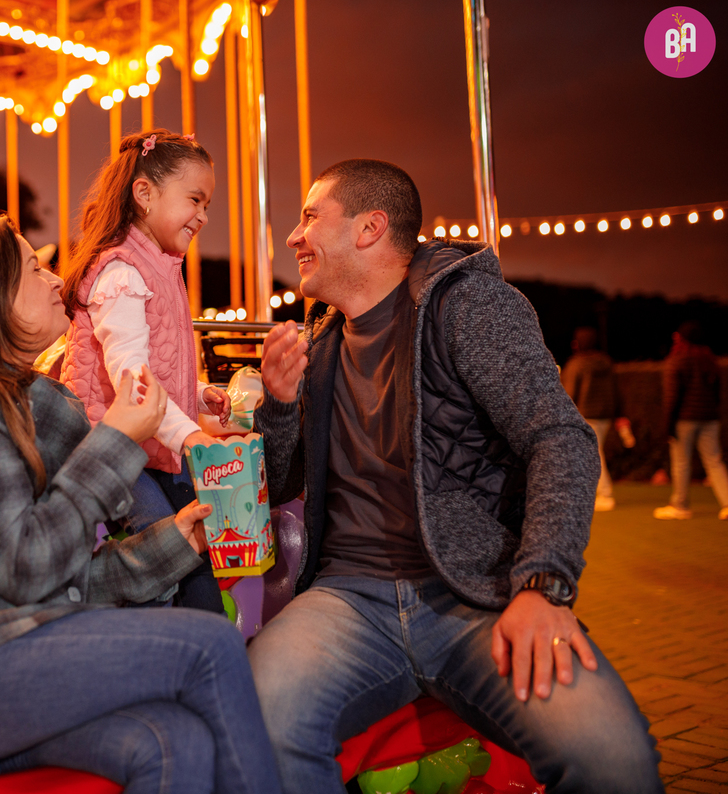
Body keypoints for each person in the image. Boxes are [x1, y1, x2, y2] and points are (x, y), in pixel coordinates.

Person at [248, 159, 663, 793]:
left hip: (474, 594)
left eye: (309, 217)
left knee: (612, 758)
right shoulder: (324, 341)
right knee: (257, 725)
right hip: (347, 600)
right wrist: (278, 405)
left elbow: (561, 438)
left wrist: (542, 586)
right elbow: (280, 489)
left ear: (369, 228)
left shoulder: (466, 304)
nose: (293, 236)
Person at [0, 216, 281, 794]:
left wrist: (181, 537)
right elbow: (26, 569)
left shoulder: (22, 406)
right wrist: (117, 441)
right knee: (210, 645)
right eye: (34, 268)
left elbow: (65, 585)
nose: (56, 280)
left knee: (171, 741)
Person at [61, 129, 230, 613]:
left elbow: (154, 363)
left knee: (196, 542)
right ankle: (157, 640)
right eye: (194, 199)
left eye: (207, 204)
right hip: (110, 442)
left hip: (149, 442)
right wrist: (191, 436)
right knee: (163, 541)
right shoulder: (121, 273)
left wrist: (195, 394)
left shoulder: (159, 264)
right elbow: (133, 381)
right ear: (144, 193)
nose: (202, 215)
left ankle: (205, 634)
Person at [654, 320, 728, 520]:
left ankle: (680, 505)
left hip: (684, 419)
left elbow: (671, 397)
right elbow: (717, 393)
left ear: (681, 338)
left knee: (681, 462)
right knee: (714, 460)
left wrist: (667, 426)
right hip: (709, 418)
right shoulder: (710, 360)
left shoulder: (677, 360)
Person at [560, 326, 629, 511]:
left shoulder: (576, 364)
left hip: (584, 415)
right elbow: (617, 390)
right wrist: (620, 414)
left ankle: (605, 494)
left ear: (578, 344)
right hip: (605, 415)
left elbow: (569, 393)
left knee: (592, 455)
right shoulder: (606, 362)